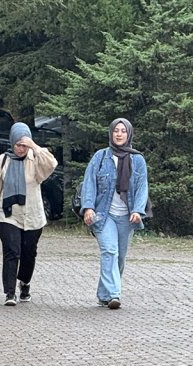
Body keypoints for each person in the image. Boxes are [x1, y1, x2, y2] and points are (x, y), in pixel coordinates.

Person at [0, 122, 58, 306]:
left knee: (29, 253)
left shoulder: (35, 158)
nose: (21, 149)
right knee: (12, 250)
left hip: (32, 215)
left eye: (24, 145)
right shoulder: (3, 160)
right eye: (18, 144)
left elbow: (51, 164)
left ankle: (25, 283)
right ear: (12, 142)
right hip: (8, 214)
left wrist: (34, 147)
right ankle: (10, 292)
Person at [79, 118, 149, 309]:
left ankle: (103, 294)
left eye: (123, 131)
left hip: (127, 216)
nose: (119, 134)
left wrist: (137, 210)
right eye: (115, 130)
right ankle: (114, 295)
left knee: (119, 257)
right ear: (111, 133)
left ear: (129, 134)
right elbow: (89, 183)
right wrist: (88, 207)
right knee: (109, 250)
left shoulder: (138, 160)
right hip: (103, 215)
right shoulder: (100, 157)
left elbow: (142, 188)